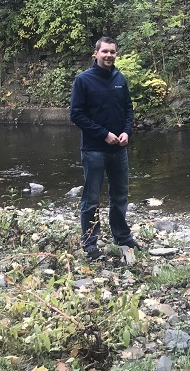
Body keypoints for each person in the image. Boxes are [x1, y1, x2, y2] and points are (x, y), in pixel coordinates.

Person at [70, 37, 138, 260]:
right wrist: (104, 134)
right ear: (96, 54)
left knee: (119, 196)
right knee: (91, 199)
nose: (109, 55)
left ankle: (122, 236)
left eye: (113, 52)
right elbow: (76, 114)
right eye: (105, 51)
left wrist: (127, 131)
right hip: (94, 150)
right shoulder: (83, 81)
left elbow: (128, 109)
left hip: (119, 149)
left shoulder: (120, 78)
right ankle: (90, 243)